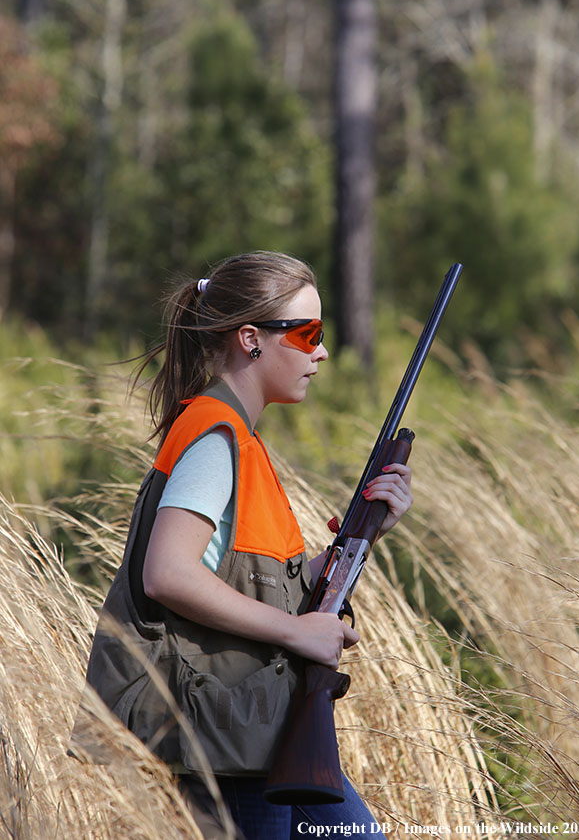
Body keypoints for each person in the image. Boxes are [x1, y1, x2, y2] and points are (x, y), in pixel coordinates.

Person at [74, 251, 413, 839]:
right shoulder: (216, 435)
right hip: (227, 731)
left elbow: (252, 582)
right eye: (309, 334)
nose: (322, 353)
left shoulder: (240, 438)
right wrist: (296, 632)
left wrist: (364, 536)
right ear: (252, 339)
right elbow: (168, 574)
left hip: (250, 725)